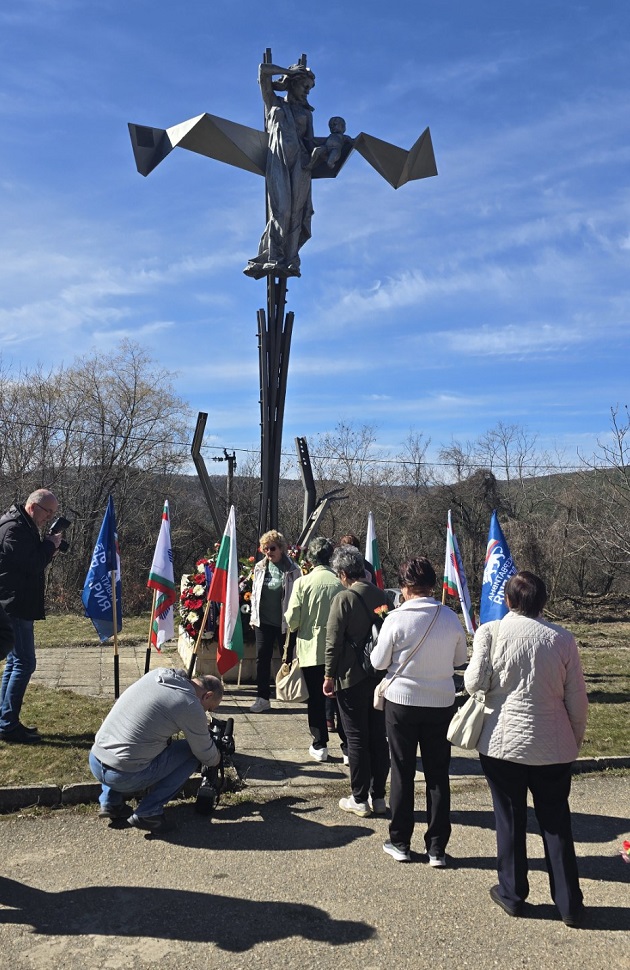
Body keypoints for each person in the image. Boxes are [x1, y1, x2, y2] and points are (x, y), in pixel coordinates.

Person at [464, 571, 588, 926]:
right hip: (553, 745)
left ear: (509, 601)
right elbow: (577, 701)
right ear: (542, 601)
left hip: (503, 743)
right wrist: (574, 739)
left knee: (510, 819)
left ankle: (513, 893)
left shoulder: (492, 631)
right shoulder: (563, 639)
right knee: (556, 823)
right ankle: (569, 904)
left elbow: (473, 682)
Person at [371, 558, 467, 865]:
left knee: (402, 770)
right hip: (440, 701)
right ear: (432, 584)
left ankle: (400, 841)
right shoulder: (450, 618)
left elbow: (378, 662)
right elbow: (459, 660)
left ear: (404, 586)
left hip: (402, 702)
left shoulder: (396, 618)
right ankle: (437, 847)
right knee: (438, 774)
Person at [89, 668, 223, 834]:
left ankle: (111, 802)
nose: (206, 713)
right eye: (209, 709)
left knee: (130, 742)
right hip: (122, 776)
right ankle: (149, 813)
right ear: (207, 695)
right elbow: (206, 755)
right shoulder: (190, 704)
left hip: (96, 758)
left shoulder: (158, 675)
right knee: (192, 754)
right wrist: (218, 756)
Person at [324, 545, 389, 817]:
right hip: (378, 675)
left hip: (350, 676)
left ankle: (359, 798)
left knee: (356, 737)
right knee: (378, 736)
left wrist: (328, 675)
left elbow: (333, 642)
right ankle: (380, 797)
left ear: (342, 574)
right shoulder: (382, 596)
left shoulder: (344, 599)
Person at [244, 62, 316, 280]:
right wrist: (288, 72)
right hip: (278, 160)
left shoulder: (306, 113)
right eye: (304, 85)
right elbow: (262, 71)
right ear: (292, 83)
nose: (307, 91)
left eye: (310, 88)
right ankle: (272, 255)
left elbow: (310, 142)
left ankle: (291, 260)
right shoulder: (273, 103)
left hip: (301, 164)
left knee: (297, 213)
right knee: (281, 210)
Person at [0, 489, 62, 743]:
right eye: (48, 512)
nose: (49, 518)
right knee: (25, 664)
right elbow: (31, 564)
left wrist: (49, 546)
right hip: (14, 604)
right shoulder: (13, 529)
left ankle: (6, 721)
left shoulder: (23, 525)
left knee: (15, 664)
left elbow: (30, 560)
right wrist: (49, 546)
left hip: (18, 602)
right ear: (33, 506)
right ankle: (7, 724)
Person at [284, 537, 343, 762]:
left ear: (310, 558)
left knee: (316, 699)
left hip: (311, 648)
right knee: (340, 698)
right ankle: (348, 746)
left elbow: (293, 620)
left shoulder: (302, 582)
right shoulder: (340, 582)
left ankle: (320, 744)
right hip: (339, 649)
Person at [249, 530, 301, 713]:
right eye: (264, 549)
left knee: (288, 658)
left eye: (272, 548)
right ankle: (262, 697)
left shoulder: (293, 570)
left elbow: (297, 595)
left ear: (281, 549)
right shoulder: (259, 567)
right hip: (263, 622)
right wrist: (253, 617)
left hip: (284, 622)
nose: (268, 552)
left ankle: (291, 692)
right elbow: (255, 594)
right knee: (262, 659)